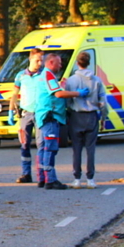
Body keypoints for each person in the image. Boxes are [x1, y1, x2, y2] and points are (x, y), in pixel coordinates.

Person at [30, 52, 89, 190]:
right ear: (51, 63)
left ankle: (42, 178)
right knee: (50, 148)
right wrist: (78, 94)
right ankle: (50, 180)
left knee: (44, 148)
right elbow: (58, 94)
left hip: (44, 116)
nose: (61, 65)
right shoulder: (48, 75)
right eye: (59, 63)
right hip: (50, 117)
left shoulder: (44, 75)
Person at [64, 51, 107, 188]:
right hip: (92, 115)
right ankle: (90, 179)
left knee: (76, 149)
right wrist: (103, 117)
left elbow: (67, 100)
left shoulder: (71, 80)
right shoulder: (97, 80)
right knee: (90, 148)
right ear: (89, 63)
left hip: (76, 115)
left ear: (77, 63)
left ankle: (77, 178)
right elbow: (103, 101)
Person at [8, 48, 44, 184]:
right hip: (26, 114)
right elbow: (14, 94)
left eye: (42, 60)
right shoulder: (21, 76)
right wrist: (11, 111)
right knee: (24, 144)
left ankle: (42, 174)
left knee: (41, 144)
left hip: (41, 113)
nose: (40, 63)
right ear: (30, 59)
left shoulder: (44, 75)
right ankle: (26, 173)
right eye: (37, 60)